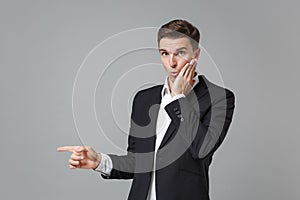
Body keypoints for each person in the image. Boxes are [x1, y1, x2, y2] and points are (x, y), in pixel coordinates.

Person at [57, 19, 235, 200]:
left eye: (180, 53)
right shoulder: (144, 99)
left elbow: (202, 149)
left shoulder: (219, 98)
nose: (171, 62)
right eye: (165, 53)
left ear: (196, 54)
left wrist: (179, 98)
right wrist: (99, 161)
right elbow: (137, 162)